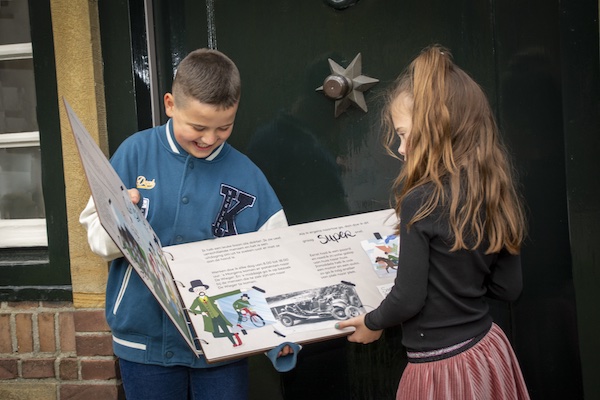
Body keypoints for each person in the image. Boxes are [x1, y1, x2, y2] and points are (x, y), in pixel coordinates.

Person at [79, 48, 291, 400]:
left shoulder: (249, 176)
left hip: (226, 346)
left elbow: (277, 262)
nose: (209, 139)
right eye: (197, 127)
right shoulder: (133, 154)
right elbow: (97, 243)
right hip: (143, 342)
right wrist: (121, 221)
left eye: (224, 127)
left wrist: (278, 335)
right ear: (170, 104)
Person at [336, 44, 531, 400]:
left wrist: (372, 322)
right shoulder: (494, 191)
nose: (400, 148)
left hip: (441, 370)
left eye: (404, 133)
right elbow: (508, 289)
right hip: (488, 353)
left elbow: (408, 298)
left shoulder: (419, 201)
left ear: (438, 129)